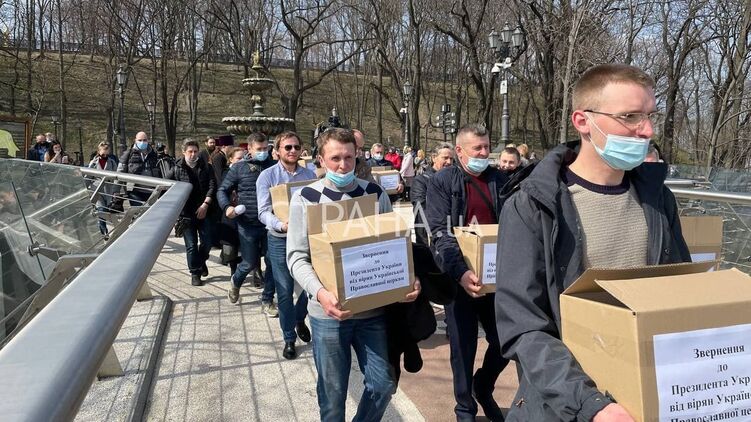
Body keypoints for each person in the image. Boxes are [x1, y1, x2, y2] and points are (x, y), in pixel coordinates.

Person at [495, 64, 691, 421]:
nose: (647, 130)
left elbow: (679, 293)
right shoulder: (532, 205)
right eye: (630, 116)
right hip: (567, 405)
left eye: (650, 115)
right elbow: (523, 325)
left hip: (653, 394)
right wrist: (590, 405)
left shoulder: (658, 199)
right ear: (583, 121)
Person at [286, 128, 421, 421]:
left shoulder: (374, 193)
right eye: (335, 158)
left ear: (357, 155)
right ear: (321, 159)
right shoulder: (305, 198)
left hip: (371, 312)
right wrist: (320, 293)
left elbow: (391, 244)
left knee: (383, 386)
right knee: (333, 396)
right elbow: (296, 257)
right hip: (328, 314)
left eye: (348, 157)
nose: (343, 165)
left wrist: (407, 279)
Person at [425, 123, 511, 422]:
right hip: (458, 277)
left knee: (505, 340)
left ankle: (483, 386)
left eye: (487, 147)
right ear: (460, 151)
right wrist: (460, 272)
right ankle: (465, 408)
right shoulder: (443, 181)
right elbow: (440, 231)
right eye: (478, 148)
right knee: (463, 348)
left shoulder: (500, 180)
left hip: (496, 276)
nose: (485, 153)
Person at [256, 131, 316, 360]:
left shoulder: (310, 175)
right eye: (288, 147)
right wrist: (281, 225)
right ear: (278, 151)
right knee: (284, 290)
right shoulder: (267, 176)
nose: (292, 151)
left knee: (311, 285)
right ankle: (289, 337)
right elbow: (263, 211)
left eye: (296, 147)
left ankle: (299, 317)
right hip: (279, 238)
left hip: (306, 238)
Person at [218, 132, 278, 316]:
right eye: (259, 149)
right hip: (248, 224)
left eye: (266, 148)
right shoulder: (239, 168)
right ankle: (236, 281)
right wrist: (227, 207)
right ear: (249, 149)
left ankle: (267, 300)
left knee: (272, 262)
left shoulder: (274, 166)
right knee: (249, 262)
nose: (263, 152)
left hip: (270, 224)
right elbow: (222, 190)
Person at [165, 138, 217, 286]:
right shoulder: (176, 168)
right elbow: (166, 186)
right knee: (191, 245)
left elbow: (212, 186)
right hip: (186, 213)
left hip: (205, 210)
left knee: (207, 243)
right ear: (183, 152)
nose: (193, 154)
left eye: (195, 151)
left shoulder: (206, 167)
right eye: (190, 152)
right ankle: (195, 272)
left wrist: (205, 204)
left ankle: (201, 261)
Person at [411, 142, 453, 246]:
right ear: (434, 158)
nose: (449, 162)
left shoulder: (455, 181)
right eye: (445, 158)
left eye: (451, 159)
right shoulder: (421, 181)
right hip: (430, 238)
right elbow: (421, 210)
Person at [117, 131, 160, 206]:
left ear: (148, 141)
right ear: (135, 140)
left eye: (144, 140)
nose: (142, 142)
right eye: (140, 140)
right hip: (134, 191)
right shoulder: (128, 154)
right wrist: (116, 192)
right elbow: (119, 173)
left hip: (152, 191)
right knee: (138, 212)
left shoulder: (154, 154)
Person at [87, 142, 118, 236]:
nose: (105, 155)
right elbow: (88, 176)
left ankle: (104, 229)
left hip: (108, 190)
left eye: (107, 153)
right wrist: (85, 188)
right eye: (103, 153)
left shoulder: (112, 162)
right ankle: (103, 231)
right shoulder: (93, 163)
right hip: (97, 189)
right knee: (101, 209)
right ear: (99, 151)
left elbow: (117, 176)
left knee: (106, 210)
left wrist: (116, 189)